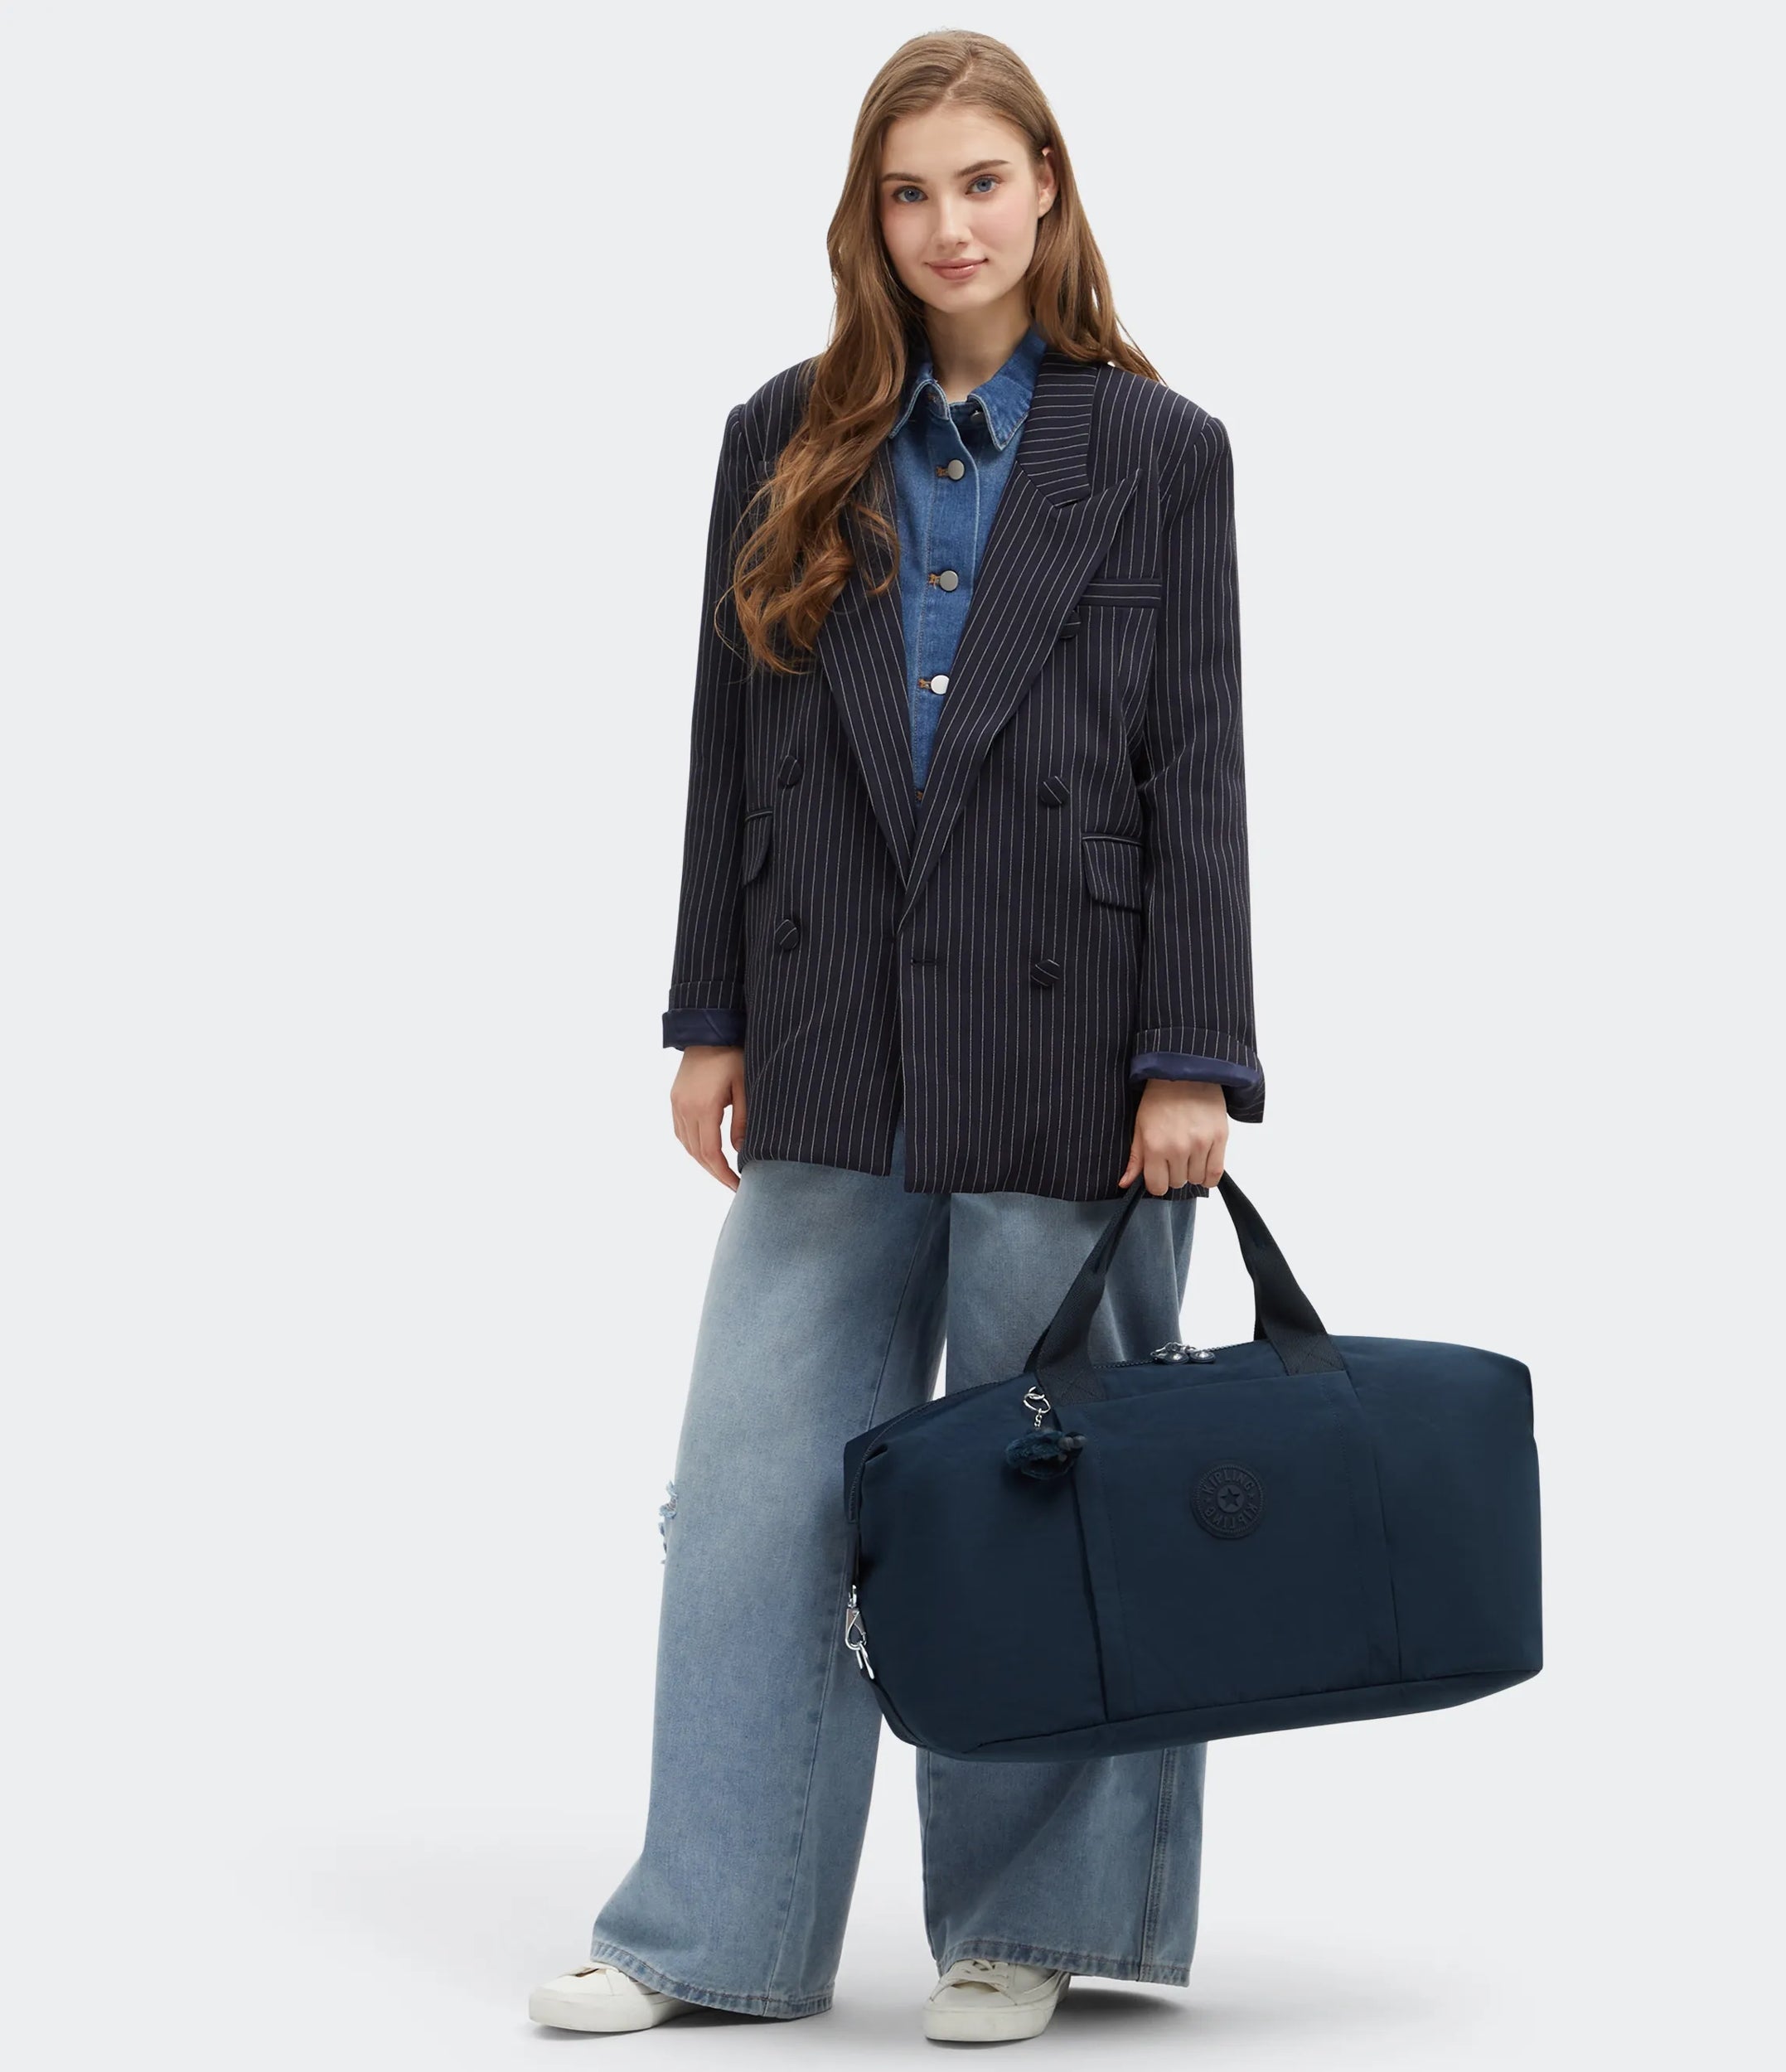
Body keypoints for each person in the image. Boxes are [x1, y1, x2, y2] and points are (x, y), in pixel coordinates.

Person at [530, 28, 1266, 2045]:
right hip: (828, 1033)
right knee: (752, 1497)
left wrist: (1189, 1053)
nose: (949, 225)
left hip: (1076, 1054)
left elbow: (1194, 763)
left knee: (1047, 1498)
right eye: (908, 190)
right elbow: (724, 749)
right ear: (867, 214)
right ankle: (715, 1929)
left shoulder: (1157, 449)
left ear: (1047, 187)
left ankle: (1030, 1922)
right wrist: (707, 1016)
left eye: (981, 182)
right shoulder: (780, 433)